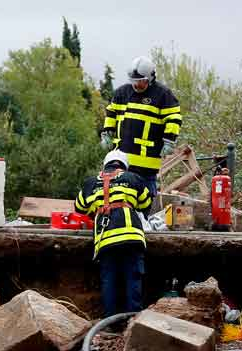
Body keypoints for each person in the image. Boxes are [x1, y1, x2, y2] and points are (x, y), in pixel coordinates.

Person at [75, 150, 153, 316]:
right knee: (133, 277)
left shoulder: (90, 183)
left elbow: (79, 208)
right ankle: (134, 321)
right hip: (131, 236)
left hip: (105, 239)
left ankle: (110, 323)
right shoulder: (133, 178)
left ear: (106, 164)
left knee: (109, 280)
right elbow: (145, 203)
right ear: (124, 165)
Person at [100, 56, 183, 209]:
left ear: (150, 78)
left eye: (140, 81)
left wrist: (169, 140)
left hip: (147, 164)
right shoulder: (122, 93)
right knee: (118, 203)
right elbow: (111, 113)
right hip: (121, 162)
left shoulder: (162, 95)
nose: (136, 84)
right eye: (133, 81)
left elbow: (173, 118)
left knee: (144, 203)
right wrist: (106, 133)